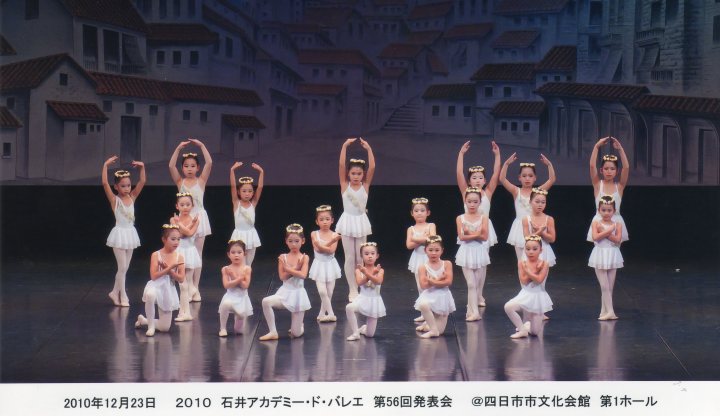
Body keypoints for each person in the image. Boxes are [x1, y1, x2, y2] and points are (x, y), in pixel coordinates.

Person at [169, 138, 212, 302]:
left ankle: (196, 288)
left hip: (199, 218)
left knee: (197, 254)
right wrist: (178, 149)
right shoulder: (180, 182)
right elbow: (171, 166)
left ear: (198, 167)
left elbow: (209, 163)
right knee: (182, 253)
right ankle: (184, 287)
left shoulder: (201, 181)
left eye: (193, 166)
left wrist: (202, 145)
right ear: (182, 168)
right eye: (186, 166)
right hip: (183, 220)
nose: (189, 168)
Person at [102, 155, 146, 307]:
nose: (127, 188)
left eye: (128, 185)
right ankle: (123, 295)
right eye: (123, 186)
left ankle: (114, 292)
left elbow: (142, 182)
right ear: (116, 187)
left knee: (125, 268)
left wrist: (142, 167)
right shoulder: (115, 200)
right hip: (119, 235)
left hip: (130, 234)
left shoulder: (132, 197)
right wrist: (105, 165)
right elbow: (104, 183)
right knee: (122, 267)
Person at [336, 137, 375, 301]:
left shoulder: (365, 186)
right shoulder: (345, 185)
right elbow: (341, 165)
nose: (356, 176)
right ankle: (352, 289)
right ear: (348, 174)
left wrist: (369, 149)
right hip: (347, 222)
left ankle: (361, 285)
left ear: (363, 174)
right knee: (350, 257)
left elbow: (372, 167)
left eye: (359, 173)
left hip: (360, 222)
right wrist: (344, 146)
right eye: (353, 173)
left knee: (360, 257)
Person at [259, 224, 311, 340]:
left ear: (303, 241)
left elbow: (303, 275)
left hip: (298, 295)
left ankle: (300, 326)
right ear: (286, 241)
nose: (294, 244)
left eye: (297, 241)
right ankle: (273, 331)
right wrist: (295, 268)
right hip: (284, 293)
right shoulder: (283, 257)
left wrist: (289, 269)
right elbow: (282, 277)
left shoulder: (304, 258)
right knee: (266, 301)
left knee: (296, 334)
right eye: (290, 241)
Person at [500, 153, 556, 259]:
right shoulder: (516, 191)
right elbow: (502, 179)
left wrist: (549, 165)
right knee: (522, 261)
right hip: (520, 228)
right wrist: (506, 164)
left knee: (536, 259)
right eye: (524, 176)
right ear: (519, 177)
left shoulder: (537, 191)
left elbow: (551, 180)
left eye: (530, 176)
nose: (527, 178)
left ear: (535, 178)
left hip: (535, 226)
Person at [135, 225, 185, 336]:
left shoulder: (179, 257)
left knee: (164, 328)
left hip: (168, 289)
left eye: (178, 239)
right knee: (150, 294)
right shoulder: (156, 255)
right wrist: (168, 268)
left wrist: (170, 270)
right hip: (155, 285)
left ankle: (144, 320)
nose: (176, 242)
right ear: (164, 239)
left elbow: (181, 279)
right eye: (173, 239)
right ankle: (151, 327)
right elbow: (153, 276)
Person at [503, 235, 553, 339]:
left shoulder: (544, 264)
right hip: (525, 294)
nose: (531, 252)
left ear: (540, 250)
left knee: (535, 332)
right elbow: (524, 281)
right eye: (528, 249)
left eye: (534, 249)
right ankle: (522, 330)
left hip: (538, 297)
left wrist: (528, 271)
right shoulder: (522, 263)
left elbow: (539, 280)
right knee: (508, 307)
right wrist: (534, 271)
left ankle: (526, 326)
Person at [456, 140, 501, 246]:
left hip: (483, 228)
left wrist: (497, 155)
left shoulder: (488, 192)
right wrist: (461, 153)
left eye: (480, 178)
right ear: (469, 181)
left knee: (483, 255)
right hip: (468, 227)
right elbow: (459, 173)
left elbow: (496, 173)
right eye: (474, 178)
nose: (477, 180)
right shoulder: (465, 192)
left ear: (485, 181)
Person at [455, 187, 490, 321]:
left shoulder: (484, 218)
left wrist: (469, 233)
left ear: (480, 202)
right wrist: (477, 234)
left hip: (479, 252)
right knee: (471, 284)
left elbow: (484, 237)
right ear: (465, 201)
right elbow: (461, 237)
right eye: (469, 201)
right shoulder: (460, 218)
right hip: (466, 252)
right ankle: (474, 312)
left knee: (476, 284)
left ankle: (471, 310)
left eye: (475, 202)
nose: (472, 204)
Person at [589, 195, 624, 321]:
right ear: (599, 210)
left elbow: (617, 240)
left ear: (614, 211)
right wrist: (608, 231)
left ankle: (604, 311)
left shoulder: (617, 224)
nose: (606, 213)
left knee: (610, 287)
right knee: (604, 286)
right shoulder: (596, 223)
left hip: (613, 254)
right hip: (600, 254)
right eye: (603, 210)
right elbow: (595, 238)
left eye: (609, 210)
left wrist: (604, 232)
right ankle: (611, 312)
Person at [587, 137, 629, 242]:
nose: (609, 171)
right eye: (606, 169)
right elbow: (592, 166)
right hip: (599, 222)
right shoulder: (598, 185)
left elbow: (626, 168)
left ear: (617, 171)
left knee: (614, 249)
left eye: (612, 169)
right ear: (601, 170)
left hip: (616, 222)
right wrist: (596, 146)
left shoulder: (619, 187)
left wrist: (620, 149)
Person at [414, 235, 456, 338]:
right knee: (423, 304)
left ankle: (428, 325)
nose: (433, 253)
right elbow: (423, 286)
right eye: (430, 250)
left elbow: (448, 282)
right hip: (430, 295)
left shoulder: (447, 264)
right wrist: (440, 279)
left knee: (440, 331)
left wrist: (432, 281)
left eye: (437, 250)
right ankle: (433, 330)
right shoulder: (422, 267)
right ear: (425, 250)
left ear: (442, 251)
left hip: (443, 297)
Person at [346, 242, 386, 341]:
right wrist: (369, 273)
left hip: (374, 302)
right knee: (349, 307)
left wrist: (368, 273)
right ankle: (355, 333)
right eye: (366, 254)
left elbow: (378, 281)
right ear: (362, 256)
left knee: (369, 335)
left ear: (377, 256)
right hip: (362, 299)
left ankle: (364, 329)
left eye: (372, 253)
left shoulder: (380, 270)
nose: (370, 256)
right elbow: (359, 282)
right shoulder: (358, 271)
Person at [309, 205, 342, 322]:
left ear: (332, 220)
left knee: (329, 292)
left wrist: (321, 245)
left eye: (327, 219)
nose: (324, 222)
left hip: (330, 265)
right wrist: (331, 241)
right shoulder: (314, 234)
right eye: (321, 219)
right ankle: (331, 314)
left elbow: (331, 251)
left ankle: (322, 313)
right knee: (322, 291)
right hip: (319, 265)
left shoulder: (334, 234)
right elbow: (317, 250)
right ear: (317, 221)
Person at [170, 193, 200, 322]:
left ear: (192, 206)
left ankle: (185, 310)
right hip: (179, 251)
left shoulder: (196, 219)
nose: (185, 207)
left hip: (190, 251)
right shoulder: (173, 220)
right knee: (179, 281)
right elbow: (179, 235)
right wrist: (185, 226)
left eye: (188, 204)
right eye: (182, 205)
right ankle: (181, 307)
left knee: (187, 280)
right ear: (177, 206)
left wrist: (181, 225)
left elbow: (189, 233)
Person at [406, 197, 436, 322]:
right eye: (416, 211)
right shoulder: (411, 229)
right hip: (417, 259)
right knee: (420, 286)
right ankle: (424, 313)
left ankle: (433, 310)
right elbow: (409, 245)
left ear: (428, 213)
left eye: (422, 210)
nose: (419, 213)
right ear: (412, 213)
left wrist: (415, 239)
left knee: (431, 284)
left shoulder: (431, 225)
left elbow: (432, 240)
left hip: (429, 258)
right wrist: (422, 239)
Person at [229, 162, 264, 265]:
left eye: (250, 191)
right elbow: (233, 186)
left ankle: (247, 275)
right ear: (239, 192)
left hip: (251, 234)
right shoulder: (236, 203)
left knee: (248, 264)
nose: (247, 194)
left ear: (253, 193)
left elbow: (260, 187)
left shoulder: (253, 203)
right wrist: (232, 170)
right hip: (239, 235)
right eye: (244, 191)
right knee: (239, 263)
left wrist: (261, 172)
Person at [218, 240, 253, 336]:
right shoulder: (225, 269)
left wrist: (233, 276)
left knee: (239, 331)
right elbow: (226, 285)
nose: (236, 255)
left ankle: (239, 315)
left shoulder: (247, 269)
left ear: (244, 253)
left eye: (239, 252)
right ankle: (222, 328)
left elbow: (245, 286)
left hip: (242, 298)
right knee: (226, 304)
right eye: (233, 252)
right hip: (230, 296)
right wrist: (239, 279)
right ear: (228, 254)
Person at [521, 188, 556, 267]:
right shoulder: (526, 219)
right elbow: (527, 239)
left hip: (544, 250)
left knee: (543, 274)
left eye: (543, 202)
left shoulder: (549, 219)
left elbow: (552, 239)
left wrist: (542, 232)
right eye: (537, 202)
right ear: (530, 202)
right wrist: (539, 231)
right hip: (531, 250)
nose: (540, 205)